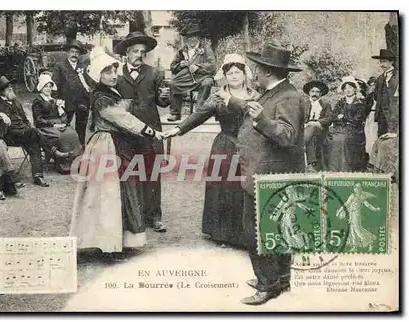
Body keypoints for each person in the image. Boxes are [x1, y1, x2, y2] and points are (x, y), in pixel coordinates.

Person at [215, 40, 307, 305]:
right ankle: (279, 279)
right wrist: (232, 101)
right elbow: (250, 107)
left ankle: (268, 285)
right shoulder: (272, 93)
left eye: (256, 69)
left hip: (270, 177)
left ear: (268, 71)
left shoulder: (288, 97)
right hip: (264, 174)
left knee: (257, 230)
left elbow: (287, 136)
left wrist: (261, 120)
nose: (253, 73)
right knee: (275, 229)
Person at [69, 47, 163, 261]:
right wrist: (151, 131)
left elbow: (124, 112)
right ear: (97, 75)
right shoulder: (101, 97)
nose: (113, 76)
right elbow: (122, 118)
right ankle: (106, 245)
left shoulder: (110, 93)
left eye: (114, 71)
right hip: (106, 147)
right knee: (106, 195)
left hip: (115, 144)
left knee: (117, 192)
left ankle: (115, 241)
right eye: (107, 72)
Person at [163, 54, 258, 247]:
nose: (233, 76)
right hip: (225, 145)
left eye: (237, 72)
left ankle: (244, 234)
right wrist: (178, 129)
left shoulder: (255, 95)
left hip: (249, 146)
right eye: (229, 73)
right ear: (224, 76)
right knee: (224, 187)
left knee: (245, 187)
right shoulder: (217, 97)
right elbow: (199, 114)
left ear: (244, 74)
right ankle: (223, 234)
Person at [114, 31, 171, 233]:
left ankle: (154, 216)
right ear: (127, 53)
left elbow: (162, 101)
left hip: (150, 133)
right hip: (126, 134)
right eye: (135, 51)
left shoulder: (154, 73)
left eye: (142, 52)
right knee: (129, 175)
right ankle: (132, 217)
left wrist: (165, 96)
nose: (139, 55)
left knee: (152, 174)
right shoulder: (117, 74)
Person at [0, 76, 60, 187]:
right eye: (8, 88)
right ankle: (52, 151)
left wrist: (28, 126)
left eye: (11, 87)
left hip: (24, 133)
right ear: (1, 92)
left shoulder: (16, 101)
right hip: (9, 135)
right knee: (34, 132)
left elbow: (25, 119)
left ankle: (38, 176)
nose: (11, 89)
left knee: (34, 142)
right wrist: (0, 114)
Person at [32, 74, 84, 174]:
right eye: (46, 86)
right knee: (61, 136)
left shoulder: (54, 100)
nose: (48, 89)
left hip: (58, 125)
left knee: (73, 133)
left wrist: (61, 111)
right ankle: (62, 163)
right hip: (44, 127)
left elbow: (64, 119)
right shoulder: (37, 101)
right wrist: (53, 125)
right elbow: (38, 120)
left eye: (50, 86)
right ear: (41, 88)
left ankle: (76, 162)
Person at [167, 24, 216, 121]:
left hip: (203, 77)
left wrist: (198, 67)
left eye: (193, 36)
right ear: (185, 38)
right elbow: (172, 67)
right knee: (173, 83)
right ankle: (175, 113)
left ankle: (199, 113)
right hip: (187, 78)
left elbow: (213, 66)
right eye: (188, 37)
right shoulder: (182, 51)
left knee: (207, 83)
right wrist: (180, 65)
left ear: (198, 37)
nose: (191, 39)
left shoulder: (206, 48)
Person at [52, 39, 95, 145]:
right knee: (63, 125)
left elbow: (90, 84)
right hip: (65, 102)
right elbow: (55, 84)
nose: (74, 54)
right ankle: (63, 149)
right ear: (68, 52)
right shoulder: (60, 66)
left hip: (82, 102)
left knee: (81, 128)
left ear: (79, 54)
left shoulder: (84, 67)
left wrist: (89, 100)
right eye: (72, 52)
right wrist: (57, 100)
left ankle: (80, 149)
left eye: (76, 52)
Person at [324, 76, 370, 172]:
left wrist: (344, 118)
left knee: (343, 139)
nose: (348, 90)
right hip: (339, 128)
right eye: (345, 88)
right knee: (329, 138)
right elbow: (334, 116)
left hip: (355, 130)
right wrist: (341, 119)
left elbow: (357, 119)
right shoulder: (340, 102)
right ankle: (333, 168)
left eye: (350, 88)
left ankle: (345, 169)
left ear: (355, 89)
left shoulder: (360, 103)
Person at [335, 183, 381, 252]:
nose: (356, 189)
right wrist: (339, 211)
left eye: (357, 188)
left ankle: (370, 242)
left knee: (357, 230)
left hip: (356, 215)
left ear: (360, 189)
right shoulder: (352, 196)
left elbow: (368, 205)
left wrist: (375, 209)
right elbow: (346, 204)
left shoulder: (361, 197)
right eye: (355, 188)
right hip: (351, 215)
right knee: (352, 230)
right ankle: (354, 247)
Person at [302, 80, 333, 172]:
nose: (314, 94)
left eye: (317, 92)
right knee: (311, 137)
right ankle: (311, 164)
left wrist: (317, 122)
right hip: (306, 128)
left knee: (311, 128)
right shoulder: (304, 104)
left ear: (321, 94)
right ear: (309, 93)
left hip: (320, 128)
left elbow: (329, 118)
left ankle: (301, 144)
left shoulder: (326, 105)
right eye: (312, 91)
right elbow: (299, 117)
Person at [371, 49, 398, 137]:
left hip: (395, 114)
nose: (382, 65)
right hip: (381, 115)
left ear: (392, 62)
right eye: (380, 62)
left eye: (384, 62)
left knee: (393, 139)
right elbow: (376, 96)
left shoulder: (398, 76)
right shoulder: (380, 78)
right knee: (381, 138)